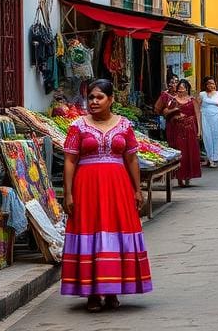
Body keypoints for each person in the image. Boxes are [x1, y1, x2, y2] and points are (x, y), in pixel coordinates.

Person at [62, 79, 152, 311]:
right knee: (90, 232)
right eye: (91, 97)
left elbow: (131, 159)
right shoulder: (78, 126)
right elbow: (70, 161)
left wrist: (137, 189)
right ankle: (92, 293)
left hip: (118, 187)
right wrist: (68, 194)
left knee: (116, 232)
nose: (94, 102)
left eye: (99, 97)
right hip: (87, 188)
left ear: (111, 100)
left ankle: (113, 290)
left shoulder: (124, 125)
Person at [164, 79, 202, 187]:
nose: (181, 90)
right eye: (179, 88)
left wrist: (199, 130)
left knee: (190, 152)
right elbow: (165, 112)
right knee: (181, 153)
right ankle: (179, 177)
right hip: (177, 129)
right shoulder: (173, 100)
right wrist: (175, 110)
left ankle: (188, 176)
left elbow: (197, 115)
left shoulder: (192, 100)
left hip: (190, 128)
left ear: (187, 89)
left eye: (183, 88)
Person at [198, 77, 218, 168]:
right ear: (205, 85)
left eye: (212, 83)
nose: (211, 85)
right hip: (205, 118)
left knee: (216, 137)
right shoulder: (202, 94)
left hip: (216, 118)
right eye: (209, 83)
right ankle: (210, 158)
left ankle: (214, 158)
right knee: (207, 137)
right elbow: (197, 106)